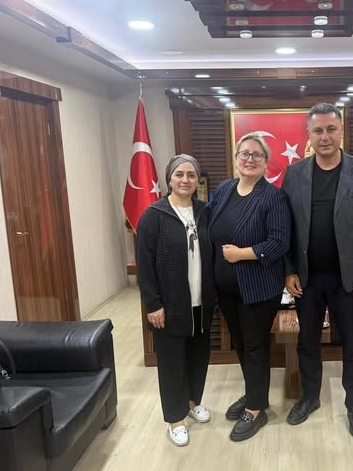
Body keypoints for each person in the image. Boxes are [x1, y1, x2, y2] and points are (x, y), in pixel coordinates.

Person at [281, 102, 353, 439]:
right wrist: (288, 270)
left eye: (330, 129)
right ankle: (310, 397)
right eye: (318, 131)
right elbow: (285, 227)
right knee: (307, 343)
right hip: (307, 279)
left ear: (341, 131)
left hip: (350, 280)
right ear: (308, 135)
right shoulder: (295, 174)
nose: (324, 137)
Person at [210, 132, 291, 442]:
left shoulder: (273, 197)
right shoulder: (224, 189)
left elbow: (279, 243)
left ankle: (256, 409)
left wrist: (241, 254)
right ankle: (254, 392)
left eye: (257, 155)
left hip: (258, 288)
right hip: (226, 288)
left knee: (255, 346)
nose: (250, 159)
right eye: (244, 153)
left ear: (266, 162)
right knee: (241, 344)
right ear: (236, 158)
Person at [135, 154, 214, 447]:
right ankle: (175, 419)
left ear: (198, 180)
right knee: (172, 363)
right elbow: (144, 265)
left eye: (191, 175)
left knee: (198, 357)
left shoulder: (205, 212)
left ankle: (193, 403)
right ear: (169, 179)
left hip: (201, 302)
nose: (185, 180)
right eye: (179, 174)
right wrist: (153, 304)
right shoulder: (153, 215)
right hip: (169, 304)